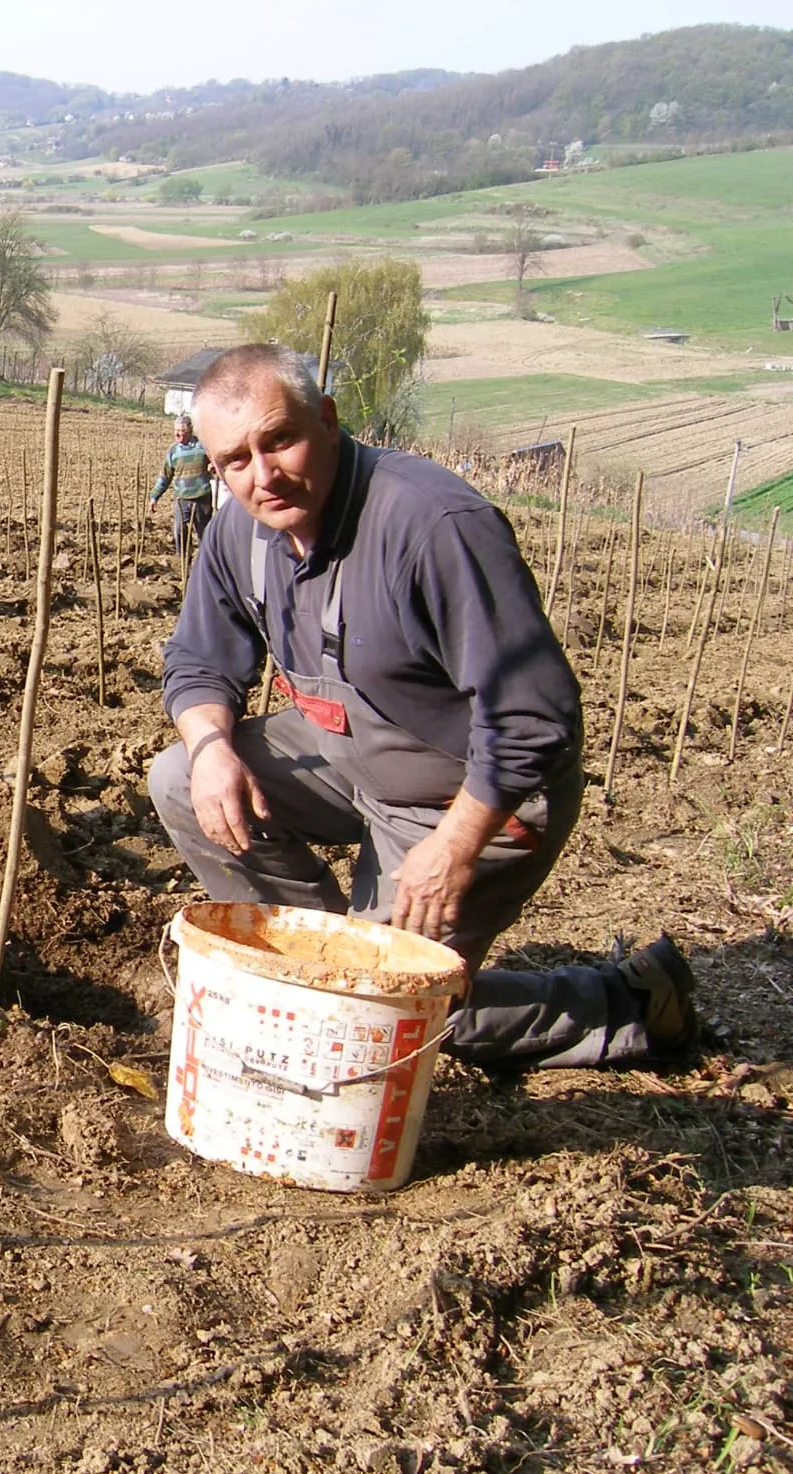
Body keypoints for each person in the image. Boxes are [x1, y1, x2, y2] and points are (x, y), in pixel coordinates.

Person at [147, 343, 696, 1070]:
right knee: (182, 775)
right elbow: (198, 661)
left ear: (329, 420)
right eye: (236, 460)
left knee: (383, 1011)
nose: (263, 475)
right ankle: (323, 962)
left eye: (280, 440)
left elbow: (536, 718)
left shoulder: (430, 524)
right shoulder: (237, 532)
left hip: (474, 796)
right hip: (352, 760)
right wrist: (215, 750)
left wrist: (457, 844)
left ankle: (627, 1005)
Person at [149, 413, 213, 565]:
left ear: (189, 431)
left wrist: (213, 466)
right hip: (182, 499)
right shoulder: (173, 452)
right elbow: (165, 476)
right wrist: (154, 497)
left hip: (202, 497)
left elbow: (216, 461)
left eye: (181, 431)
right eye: (175, 430)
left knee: (204, 534)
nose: (177, 434)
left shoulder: (202, 446)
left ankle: (206, 564)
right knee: (179, 530)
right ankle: (184, 562)